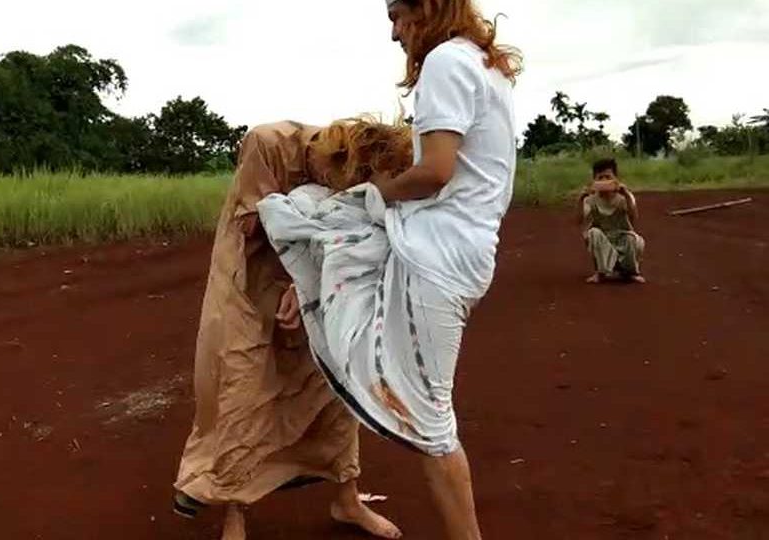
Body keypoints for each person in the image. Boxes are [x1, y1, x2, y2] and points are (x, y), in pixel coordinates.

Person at [257, 1, 521, 538]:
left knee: (432, 424)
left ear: (429, 8)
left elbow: (435, 173)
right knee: (319, 214)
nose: (396, 33)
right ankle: (307, 291)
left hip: (437, 256)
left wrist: (376, 193)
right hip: (450, 250)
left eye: (399, 16)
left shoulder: (447, 60)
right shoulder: (483, 64)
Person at [173, 118, 412, 540]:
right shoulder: (266, 144)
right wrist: (306, 249)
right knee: (244, 389)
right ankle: (235, 516)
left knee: (333, 384)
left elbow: (349, 228)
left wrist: (308, 283)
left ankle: (347, 500)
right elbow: (254, 225)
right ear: (331, 160)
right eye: (339, 180)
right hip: (248, 280)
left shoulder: (351, 164)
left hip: (313, 277)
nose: (342, 189)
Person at [578, 158, 646, 284]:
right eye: (600, 178)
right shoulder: (590, 199)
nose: (604, 181)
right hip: (603, 237)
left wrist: (626, 194)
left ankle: (630, 273)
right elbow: (579, 220)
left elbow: (634, 218)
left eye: (608, 177)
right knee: (592, 233)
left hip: (622, 236)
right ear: (594, 181)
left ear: (616, 179)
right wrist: (580, 200)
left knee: (633, 239)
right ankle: (600, 272)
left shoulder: (625, 197)